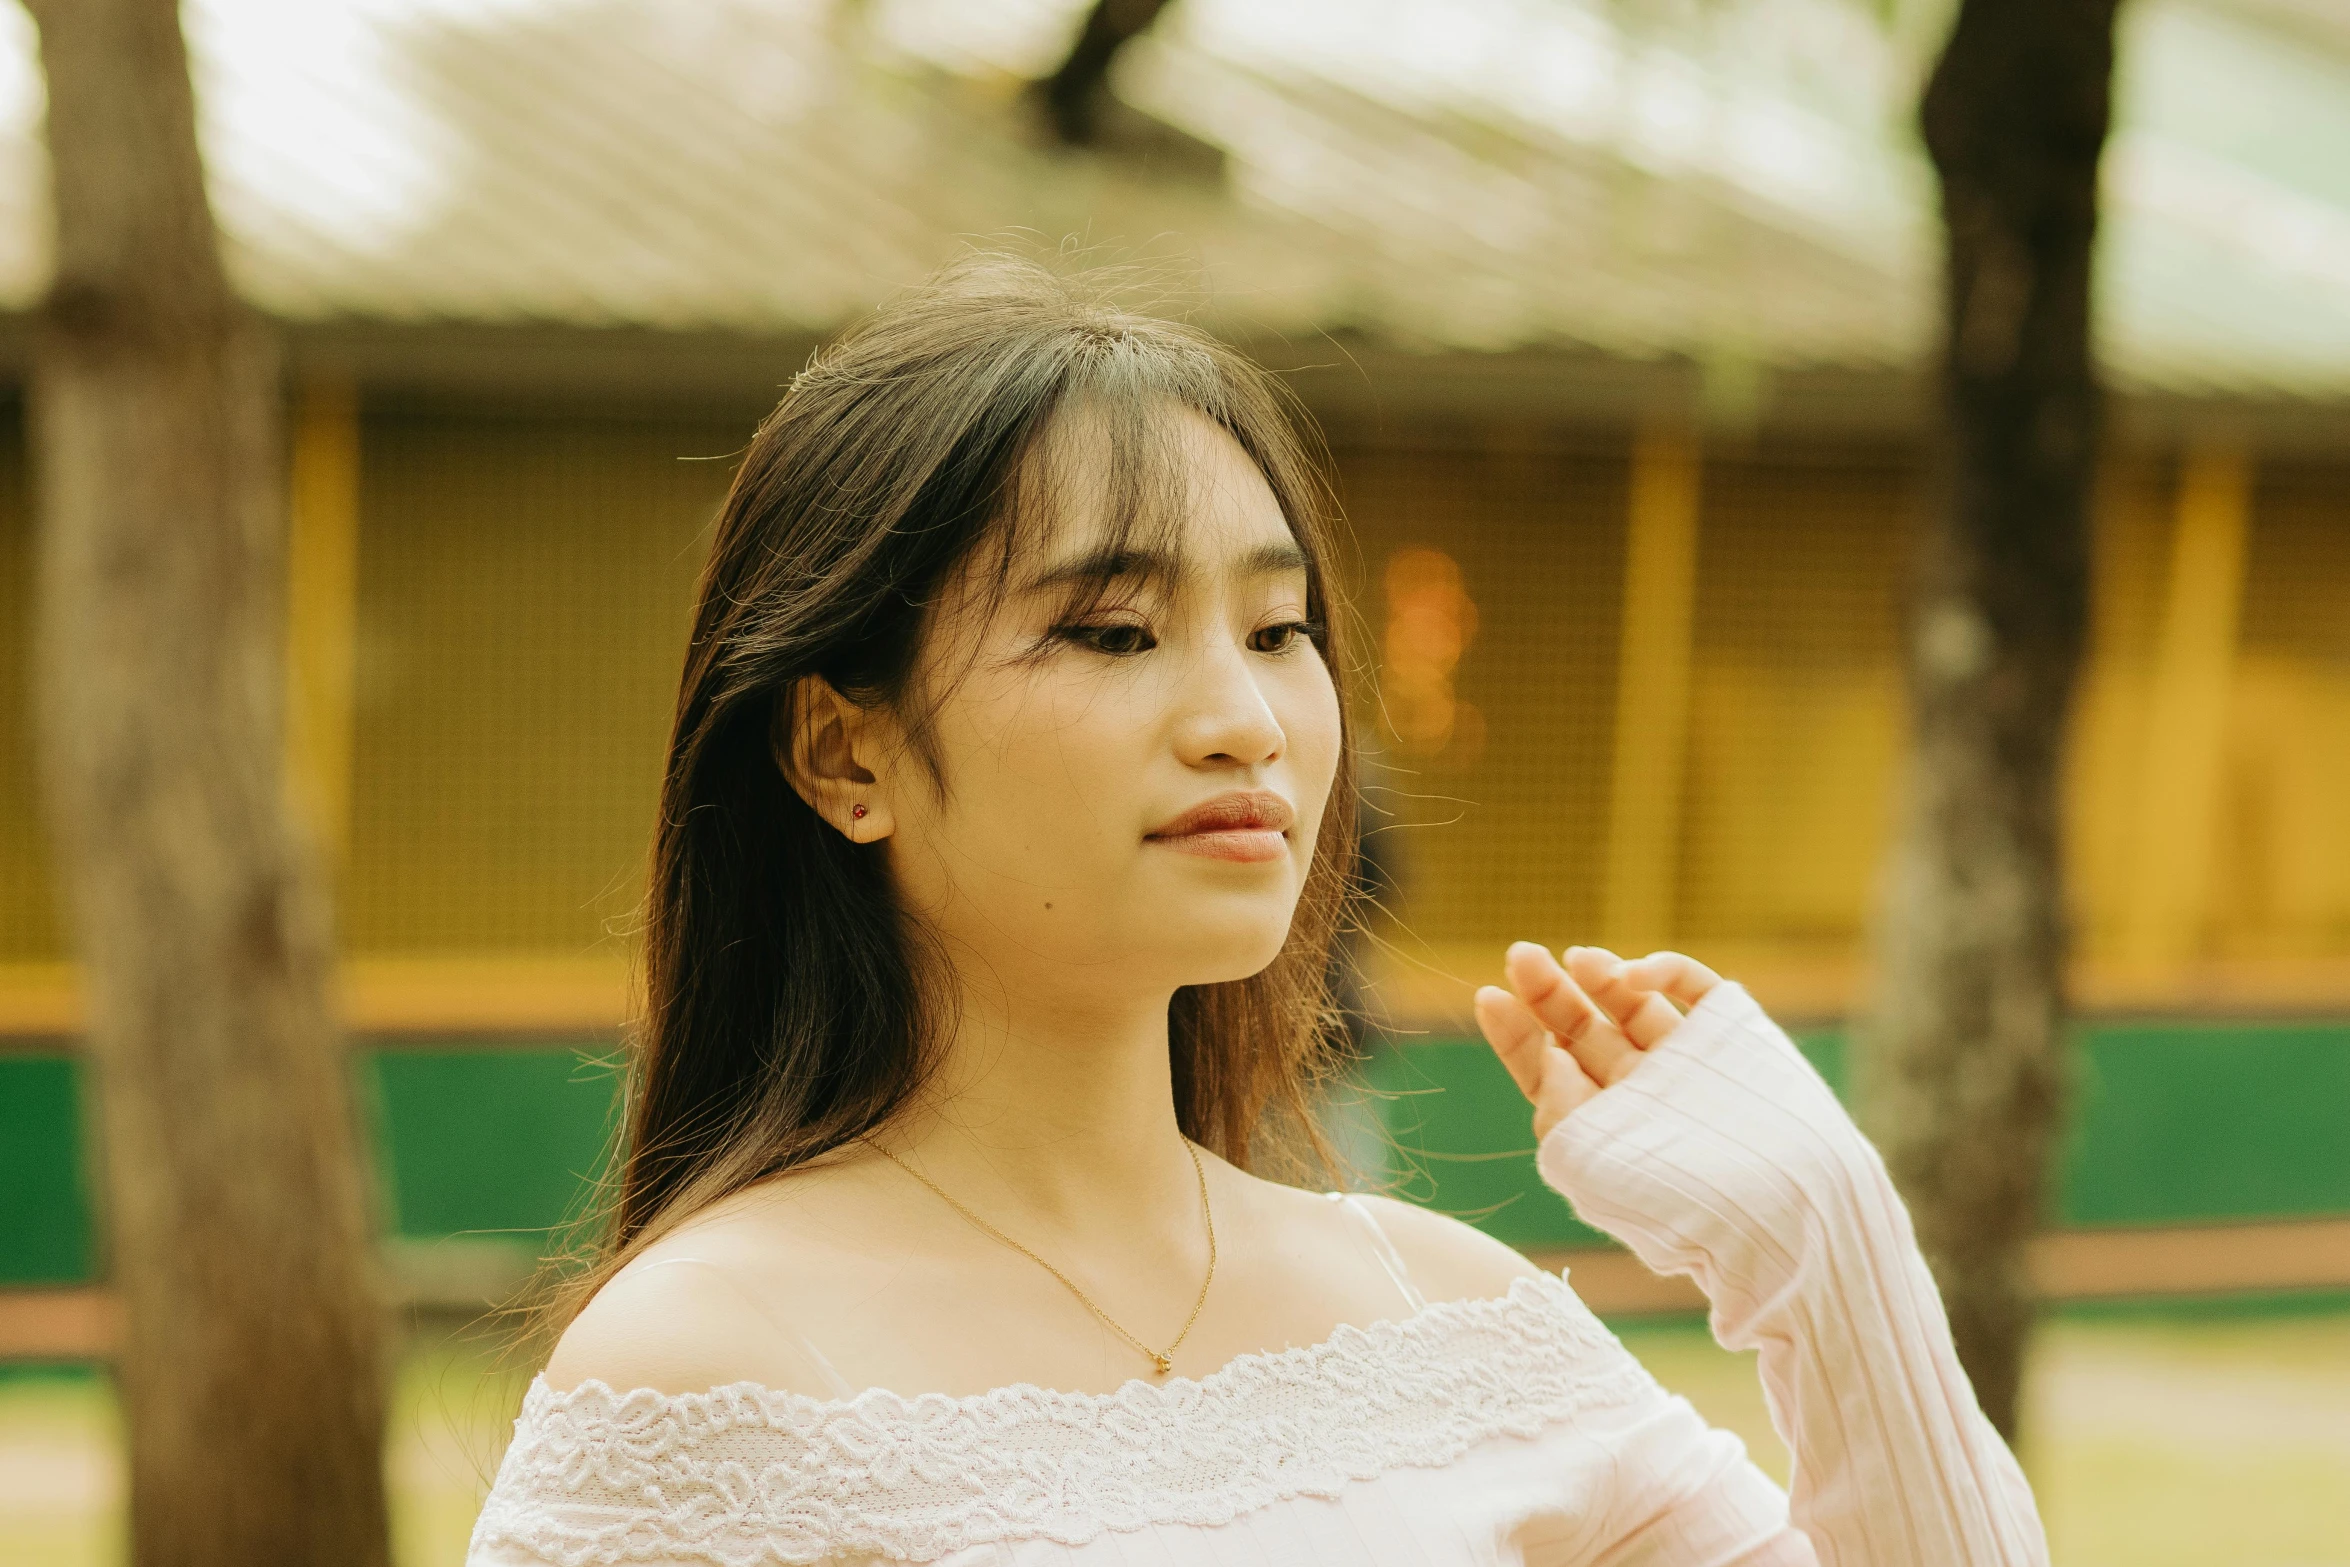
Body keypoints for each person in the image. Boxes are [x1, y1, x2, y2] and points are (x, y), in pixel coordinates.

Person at [466, 256, 2048, 1567]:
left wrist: (1825, 1242)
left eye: (1279, 626)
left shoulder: (1452, 1321)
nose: (1244, 717)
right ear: (842, 749)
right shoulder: (709, 1368)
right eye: (1109, 629)